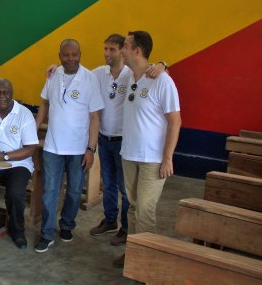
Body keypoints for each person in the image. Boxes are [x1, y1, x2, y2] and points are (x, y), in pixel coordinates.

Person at [45, 35, 166, 246]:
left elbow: (152, 70)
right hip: (104, 137)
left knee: (125, 189)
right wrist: (57, 67)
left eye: (112, 49)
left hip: (125, 141)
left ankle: (126, 228)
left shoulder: (132, 74)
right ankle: (110, 221)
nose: (107, 53)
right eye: (106, 49)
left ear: (123, 51)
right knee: (108, 184)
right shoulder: (99, 73)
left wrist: (163, 65)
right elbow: (74, 73)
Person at [113, 31, 181, 268]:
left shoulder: (163, 81)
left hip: (153, 158)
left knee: (145, 211)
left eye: (125, 45)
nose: (122, 49)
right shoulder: (129, 76)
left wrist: (167, 158)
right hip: (129, 154)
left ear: (137, 51)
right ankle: (134, 253)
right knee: (132, 207)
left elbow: (175, 121)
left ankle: (146, 264)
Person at [34, 39, 104, 253]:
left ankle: (67, 225)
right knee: (50, 191)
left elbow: (94, 117)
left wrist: (91, 149)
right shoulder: (53, 75)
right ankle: (46, 233)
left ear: (80, 54)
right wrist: (33, 132)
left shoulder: (89, 79)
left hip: (78, 149)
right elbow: (44, 105)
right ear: (59, 55)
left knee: (74, 191)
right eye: (66, 55)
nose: (71, 58)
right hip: (53, 147)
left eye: (75, 54)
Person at [0, 78, 39, 249]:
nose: (1, 96)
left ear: (12, 94)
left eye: (5, 92)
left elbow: (30, 148)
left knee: (15, 193)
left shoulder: (24, 114)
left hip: (18, 165)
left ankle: (17, 230)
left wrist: (4, 156)